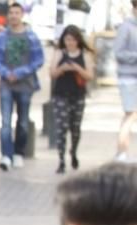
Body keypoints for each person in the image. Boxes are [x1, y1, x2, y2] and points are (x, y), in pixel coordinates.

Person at [0, 2, 44, 171]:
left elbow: (38, 60)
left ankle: (18, 152)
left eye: (17, 12)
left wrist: (19, 73)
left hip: (25, 85)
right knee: (5, 122)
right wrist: (6, 73)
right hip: (6, 84)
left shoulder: (31, 37)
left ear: (22, 15)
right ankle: (6, 155)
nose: (14, 16)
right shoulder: (1, 37)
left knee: (22, 122)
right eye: (11, 13)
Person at [50, 25, 93, 174]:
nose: (70, 43)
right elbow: (52, 73)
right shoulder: (59, 53)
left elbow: (89, 76)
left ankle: (73, 152)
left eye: (73, 40)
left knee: (75, 129)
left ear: (78, 40)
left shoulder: (85, 55)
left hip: (78, 96)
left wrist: (76, 68)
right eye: (68, 40)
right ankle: (61, 160)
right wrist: (62, 69)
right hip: (60, 95)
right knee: (61, 128)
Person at [115, 0, 137, 161]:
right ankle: (121, 153)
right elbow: (118, 52)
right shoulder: (126, 27)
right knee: (130, 114)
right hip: (128, 78)